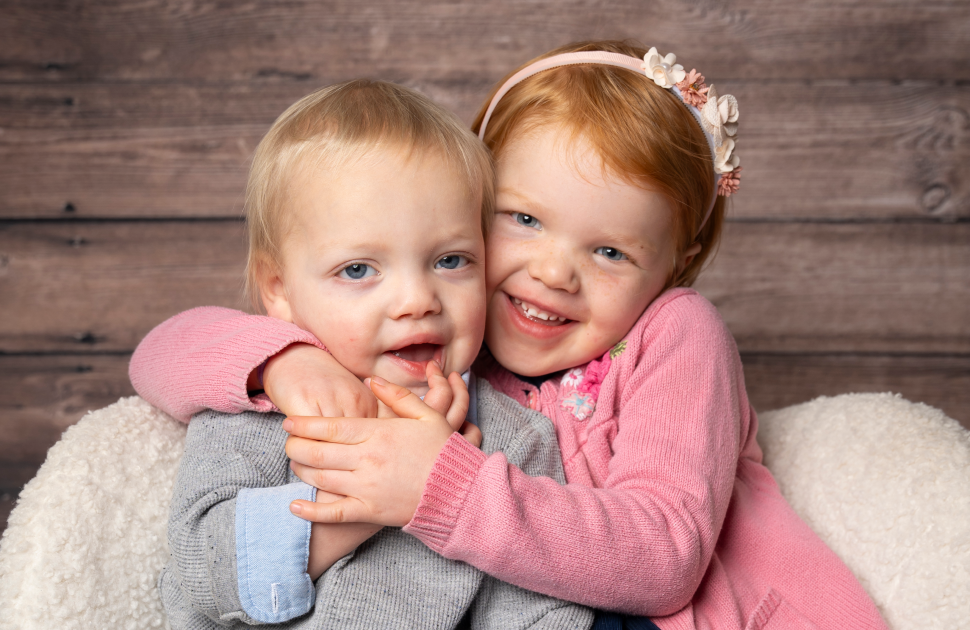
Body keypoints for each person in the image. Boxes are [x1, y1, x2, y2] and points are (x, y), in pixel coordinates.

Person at [132, 41, 888, 629]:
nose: (555, 272)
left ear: (676, 265)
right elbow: (166, 352)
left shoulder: (666, 334)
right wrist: (281, 360)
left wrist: (431, 485)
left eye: (612, 251)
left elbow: (657, 560)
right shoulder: (445, 354)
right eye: (523, 220)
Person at [151, 78, 594, 630]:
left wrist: (444, 486)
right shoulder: (264, 407)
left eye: (451, 261)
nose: (417, 301)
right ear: (281, 292)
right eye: (359, 270)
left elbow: (545, 608)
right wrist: (369, 503)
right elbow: (200, 576)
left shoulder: (514, 439)